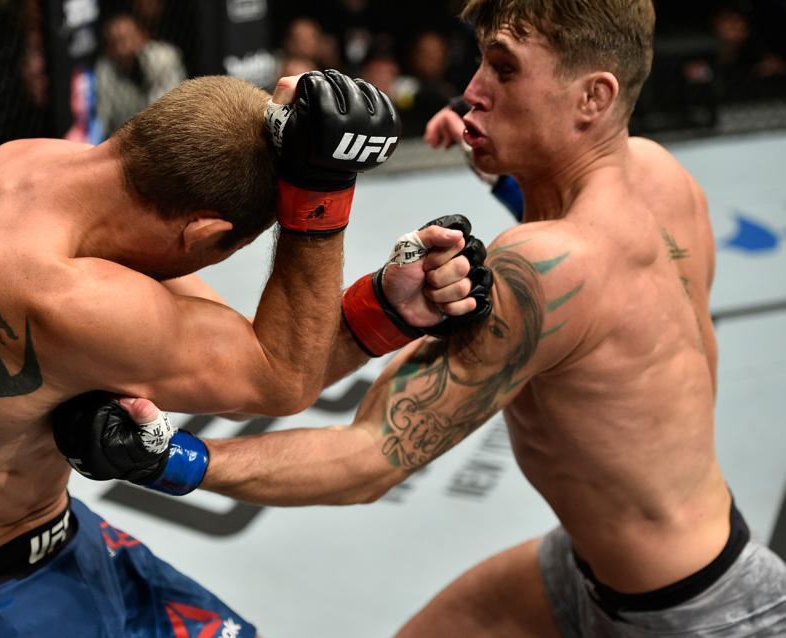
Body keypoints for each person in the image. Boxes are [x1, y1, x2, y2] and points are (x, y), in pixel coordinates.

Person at [58, 2, 786, 636]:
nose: (473, 91)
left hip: (694, 618)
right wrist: (514, 169)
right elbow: (600, 268)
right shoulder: (658, 175)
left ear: (593, 97)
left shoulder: (544, 267)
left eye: (505, 70)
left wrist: (167, 458)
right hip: (628, 561)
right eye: (482, 62)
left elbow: (372, 457)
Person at [0, 70, 489, 636]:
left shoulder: (30, 164)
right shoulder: (62, 298)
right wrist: (321, 193)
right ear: (205, 234)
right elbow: (278, 380)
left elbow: (249, 359)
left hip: (53, 538)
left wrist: (385, 308)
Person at [95, 12, 187, 135]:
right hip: (124, 138)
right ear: (108, 49)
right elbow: (102, 119)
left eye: (126, 40)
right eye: (114, 43)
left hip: (168, 131)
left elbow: (168, 107)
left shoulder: (165, 58)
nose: (121, 49)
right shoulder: (104, 72)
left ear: (142, 36)